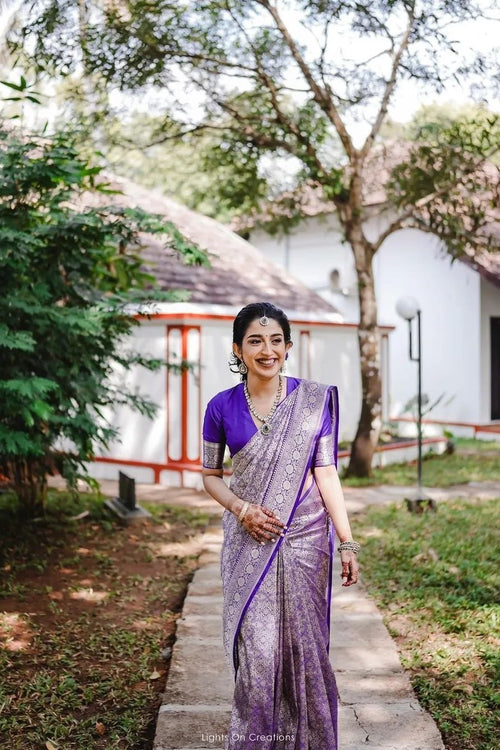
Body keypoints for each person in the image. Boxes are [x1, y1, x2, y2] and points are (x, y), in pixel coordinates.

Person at [202, 302, 360, 750]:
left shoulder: (314, 401)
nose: (266, 349)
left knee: (307, 652)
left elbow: (326, 472)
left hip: (307, 541)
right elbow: (210, 477)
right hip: (248, 543)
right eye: (255, 340)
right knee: (257, 656)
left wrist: (347, 543)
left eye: (275, 340)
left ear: (288, 347)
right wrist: (241, 509)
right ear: (238, 349)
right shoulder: (221, 407)